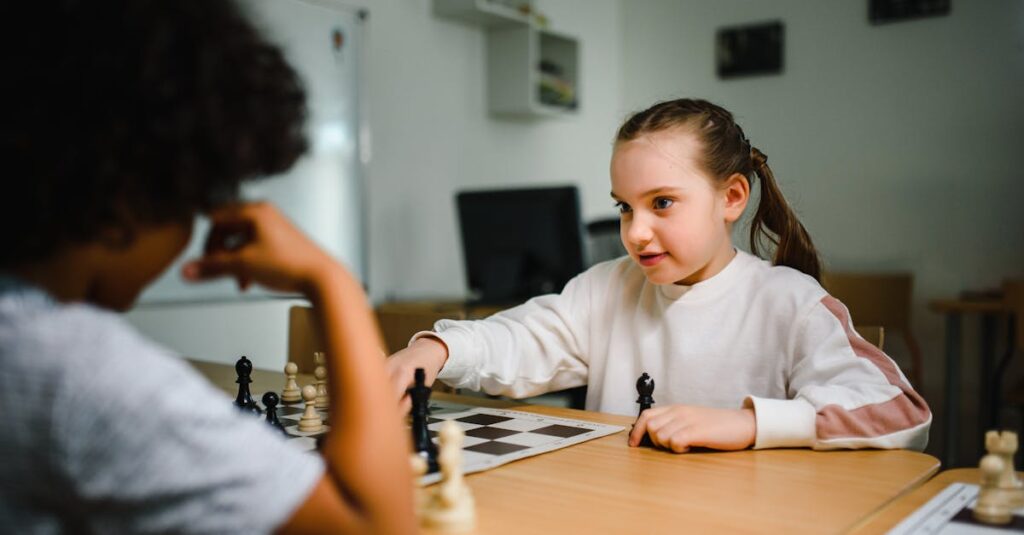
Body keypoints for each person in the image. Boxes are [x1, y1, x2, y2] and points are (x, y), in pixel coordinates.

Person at [0, 1, 414, 533]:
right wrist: (331, 280)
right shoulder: (74, 372)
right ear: (129, 198)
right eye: (193, 204)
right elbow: (379, 526)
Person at [387, 98, 931, 453]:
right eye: (624, 207)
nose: (636, 231)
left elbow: (897, 411)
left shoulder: (788, 301)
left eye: (662, 202)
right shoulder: (608, 288)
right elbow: (523, 339)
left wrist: (749, 424)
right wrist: (438, 349)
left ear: (732, 198)